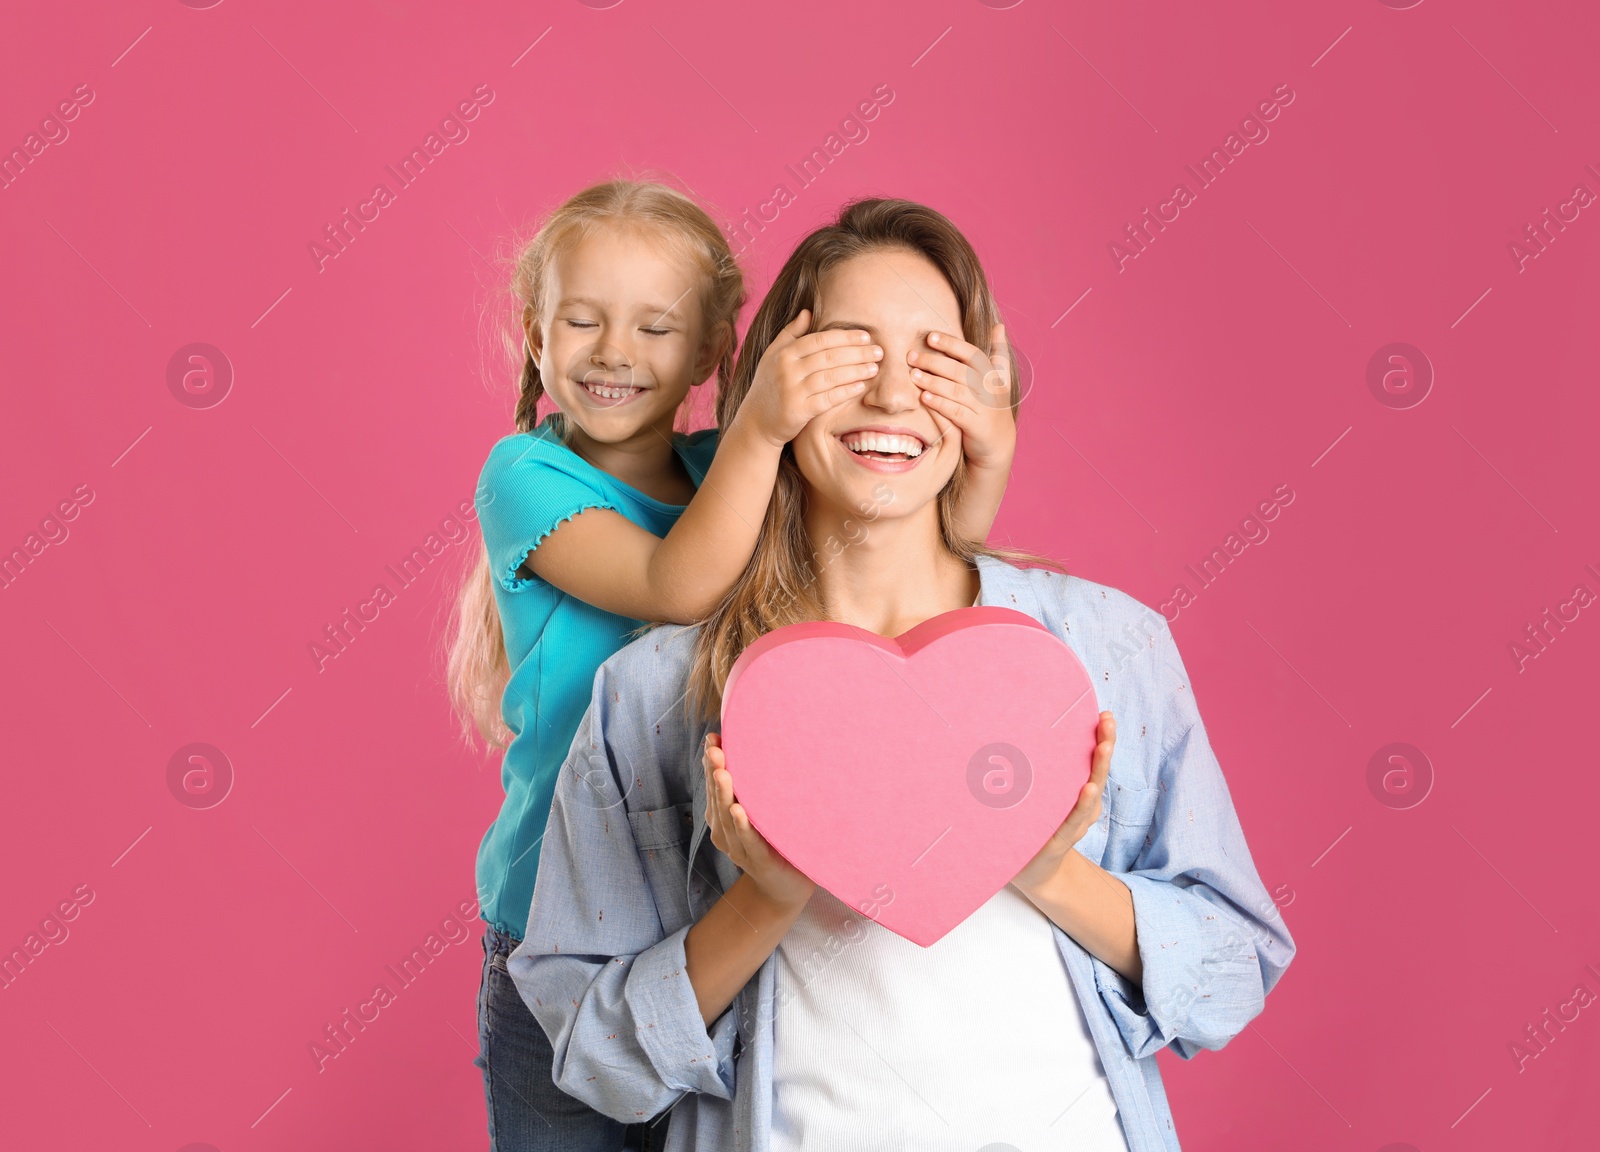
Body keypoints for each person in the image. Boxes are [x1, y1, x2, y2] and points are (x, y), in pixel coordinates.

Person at [507, 198, 1296, 1151]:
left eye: (931, 358)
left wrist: (1047, 869)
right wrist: (767, 895)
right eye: (847, 354)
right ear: (771, 386)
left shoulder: (1109, 647)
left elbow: (1231, 970)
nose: (889, 395)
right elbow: (594, 1055)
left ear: (986, 385)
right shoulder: (653, 693)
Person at [446, 180, 1018, 1151]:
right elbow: (676, 583)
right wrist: (761, 426)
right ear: (536, 337)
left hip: (706, 908)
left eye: (654, 328)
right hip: (558, 928)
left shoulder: (725, 470)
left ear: (713, 350)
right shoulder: (525, 475)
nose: (614, 351)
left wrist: (988, 456)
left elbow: (897, 543)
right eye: (581, 320)